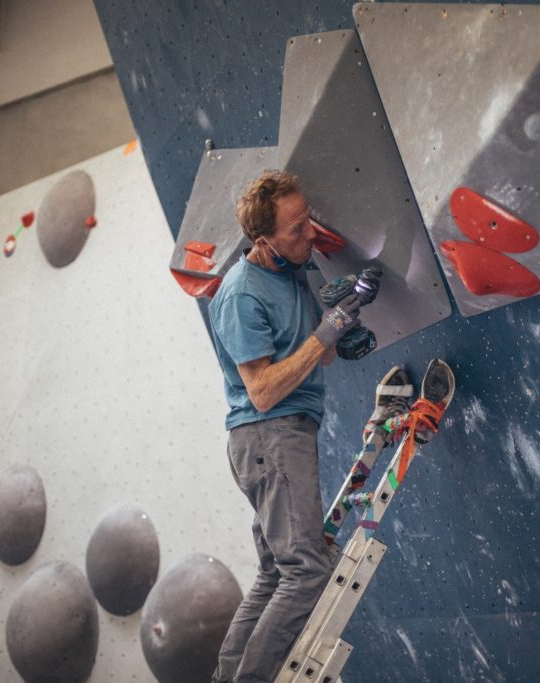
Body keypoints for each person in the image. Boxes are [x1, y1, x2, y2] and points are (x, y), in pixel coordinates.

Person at [208, 169, 372, 682]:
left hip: (277, 438)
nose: (311, 234)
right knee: (307, 574)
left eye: (308, 220)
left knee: (276, 572)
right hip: (269, 436)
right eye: (298, 227)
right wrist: (329, 330)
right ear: (263, 241)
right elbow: (262, 391)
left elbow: (315, 360)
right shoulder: (241, 294)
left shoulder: (291, 268)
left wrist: (339, 318)